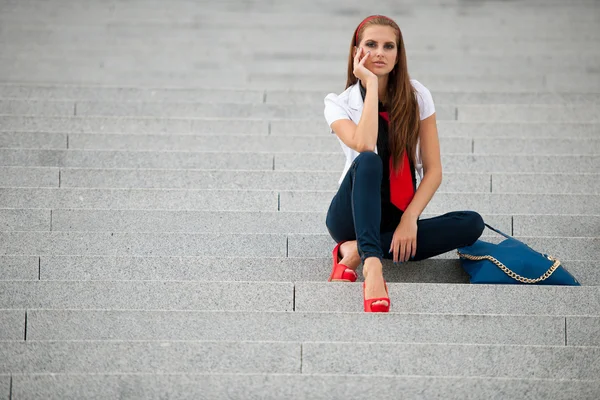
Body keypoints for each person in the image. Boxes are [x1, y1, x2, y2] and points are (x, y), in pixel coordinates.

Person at [323, 15, 484, 313]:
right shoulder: (338, 103)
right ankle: (372, 267)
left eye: (389, 46)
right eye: (371, 45)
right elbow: (364, 144)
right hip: (351, 215)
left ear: (399, 55)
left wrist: (410, 219)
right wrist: (370, 85)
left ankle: (354, 250)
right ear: (356, 52)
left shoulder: (418, 96)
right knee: (369, 161)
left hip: (397, 216)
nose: (380, 53)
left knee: (472, 223)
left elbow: (434, 170)